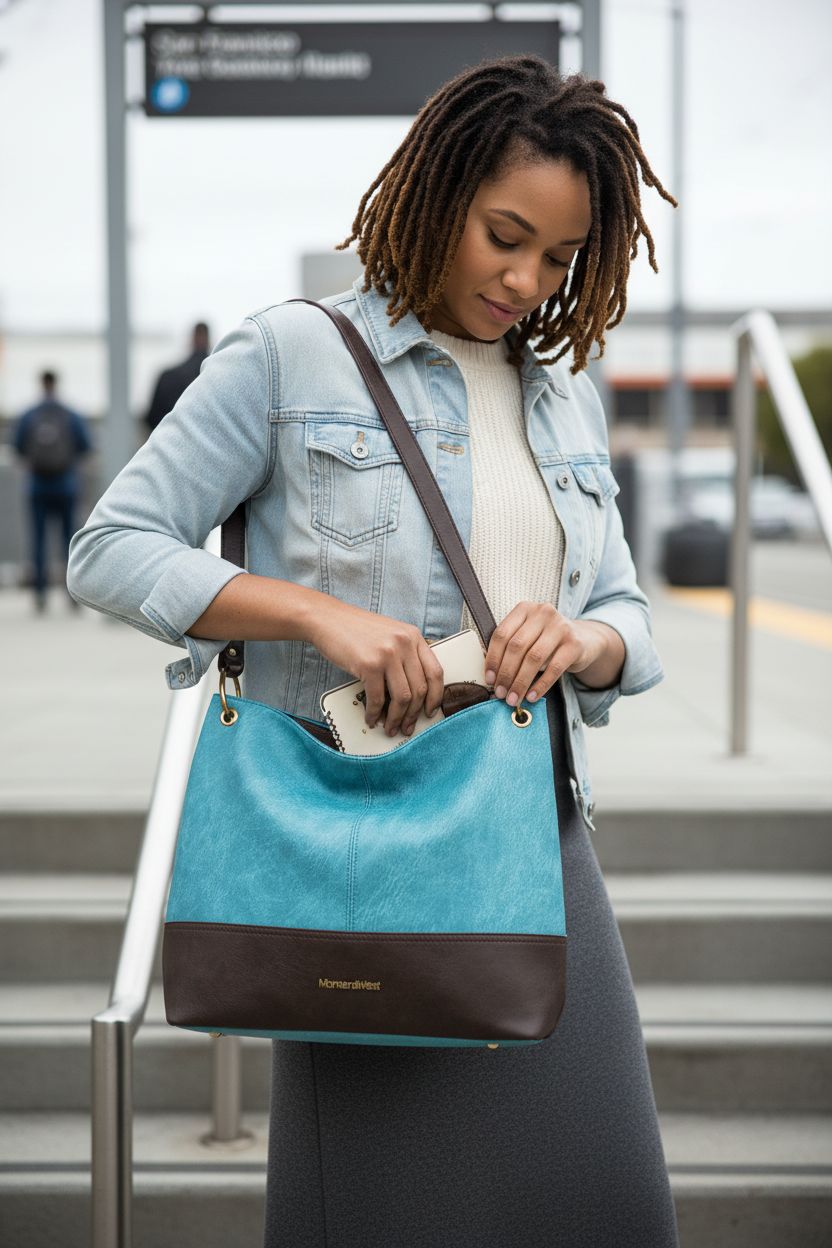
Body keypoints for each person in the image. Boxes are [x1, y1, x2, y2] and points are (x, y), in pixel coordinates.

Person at [67, 56, 681, 1247]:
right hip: (358, 851)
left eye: (557, 258)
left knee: (608, 1201)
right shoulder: (290, 356)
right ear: (438, 190)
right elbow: (113, 544)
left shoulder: (564, 396)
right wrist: (311, 613)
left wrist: (587, 637)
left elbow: (627, 612)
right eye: (505, 235)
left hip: (537, 833)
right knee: (386, 1210)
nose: (526, 279)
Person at [14, 369, 92, 612]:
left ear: (41, 383)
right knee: (68, 540)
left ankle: (40, 594)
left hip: (37, 485)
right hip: (66, 485)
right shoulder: (70, 414)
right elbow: (85, 445)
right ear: (56, 383)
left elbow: (18, 446)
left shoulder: (29, 415)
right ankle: (71, 594)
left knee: (38, 540)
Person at [143, 321, 211, 434]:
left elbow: (151, 419)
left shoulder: (167, 376)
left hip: (172, 441)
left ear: (192, 339)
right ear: (208, 340)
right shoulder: (215, 378)